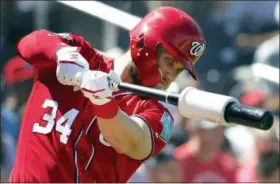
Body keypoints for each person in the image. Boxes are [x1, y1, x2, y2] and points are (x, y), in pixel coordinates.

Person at [10, 6, 205, 183]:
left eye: (179, 70)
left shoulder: (158, 114)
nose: (171, 75)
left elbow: (133, 141)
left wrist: (103, 101)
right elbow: (31, 42)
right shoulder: (82, 57)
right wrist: (61, 54)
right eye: (170, 61)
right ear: (146, 43)